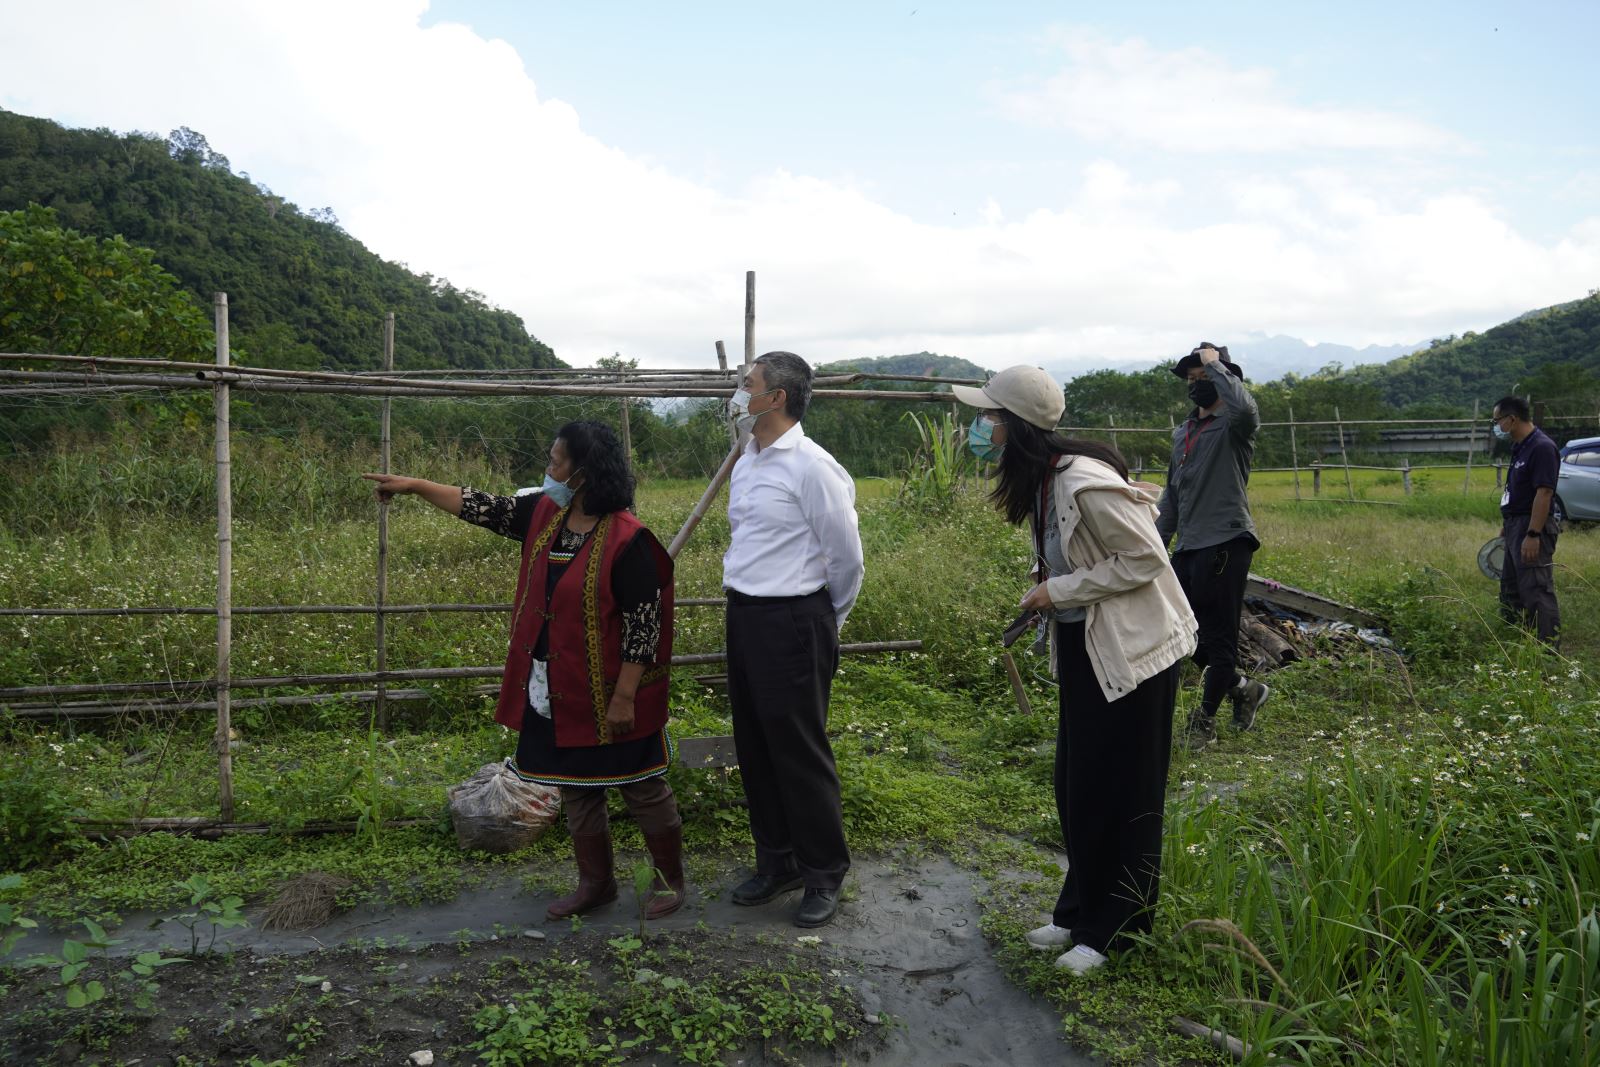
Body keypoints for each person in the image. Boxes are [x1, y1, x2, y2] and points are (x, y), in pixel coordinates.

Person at [362, 420, 685, 921]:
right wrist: (415, 486)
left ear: (582, 472)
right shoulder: (545, 514)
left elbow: (644, 630)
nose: (548, 470)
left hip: (612, 691)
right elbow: (482, 506)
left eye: (556, 462)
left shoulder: (631, 540)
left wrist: (624, 697)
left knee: (640, 783)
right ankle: (596, 884)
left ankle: (670, 882)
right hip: (556, 685)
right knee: (577, 785)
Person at [954, 365, 1197, 974]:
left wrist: (1059, 590)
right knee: (1078, 785)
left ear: (1015, 424)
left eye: (988, 416)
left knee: (1126, 792)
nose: (980, 427)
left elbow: (1146, 556)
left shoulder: (1084, 482)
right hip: (1092, 650)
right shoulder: (1044, 479)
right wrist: (1053, 589)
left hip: (1134, 656)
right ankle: (1079, 913)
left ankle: (1116, 932)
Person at [722, 351, 864, 929]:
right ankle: (776, 861)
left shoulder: (813, 467)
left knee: (800, 751)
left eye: (746, 383)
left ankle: (823, 873)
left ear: (775, 397)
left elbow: (846, 559)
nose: (738, 391)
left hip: (796, 620)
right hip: (746, 615)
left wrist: (824, 621)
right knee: (755, 745)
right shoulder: (747, 459)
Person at [1156, 342, 1270, 751]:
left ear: (1225, 379)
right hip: (1188, 545)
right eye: (1193, 380)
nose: (1198, 385)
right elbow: (1172, 495)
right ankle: (1243, 688)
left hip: (1226, 541)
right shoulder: (1182, 432)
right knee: (1182, 632)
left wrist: (1215, 364)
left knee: (1217, 635)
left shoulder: (1234, 426)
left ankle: (1203, 723)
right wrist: (1155, 546)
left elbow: (1246, 410)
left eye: (1205, 378)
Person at [1492, 396, 1561, 646]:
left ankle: (1548, 649)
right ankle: (1516, 640)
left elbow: (1544, 493)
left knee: (1536, 589)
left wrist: (1533, 535)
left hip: (1532, 527)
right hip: (1514, 524)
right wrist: (1507, 525)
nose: (1496, 426)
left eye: (1497, 420)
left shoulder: (1541, 447)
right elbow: (1516, 490)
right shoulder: (1520, 446)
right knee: (1511, 588)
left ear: (1512, 419)